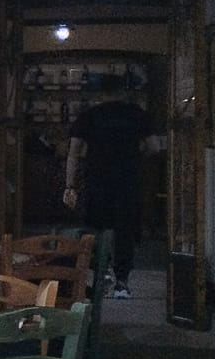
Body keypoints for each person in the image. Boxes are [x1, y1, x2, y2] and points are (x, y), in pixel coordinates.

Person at [63, 92, 154, 299]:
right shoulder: (135, 114)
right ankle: (122, 282)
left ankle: (100, 275)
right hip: (127, 179)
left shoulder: (89, 115)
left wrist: (70, 186)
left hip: (97, 179)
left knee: (96, 228)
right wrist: (135, 156)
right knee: (124, 229)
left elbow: (74, 152)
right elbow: (154, 146)